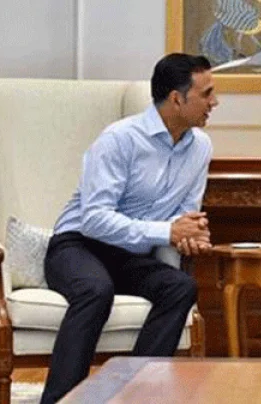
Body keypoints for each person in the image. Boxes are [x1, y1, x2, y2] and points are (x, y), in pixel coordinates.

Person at [40, 53, 219, 403]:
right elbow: (95, 218)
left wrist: (191, 235)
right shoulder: (120, 139)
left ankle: (132, 394)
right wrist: (168, 232)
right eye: (207, 93)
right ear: (177, 99)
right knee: (96, 290)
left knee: (180, 287)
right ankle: (61, 400)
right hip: (77, 244)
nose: (215, 102)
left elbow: (185, 214)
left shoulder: (200, 147)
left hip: (128, 255)